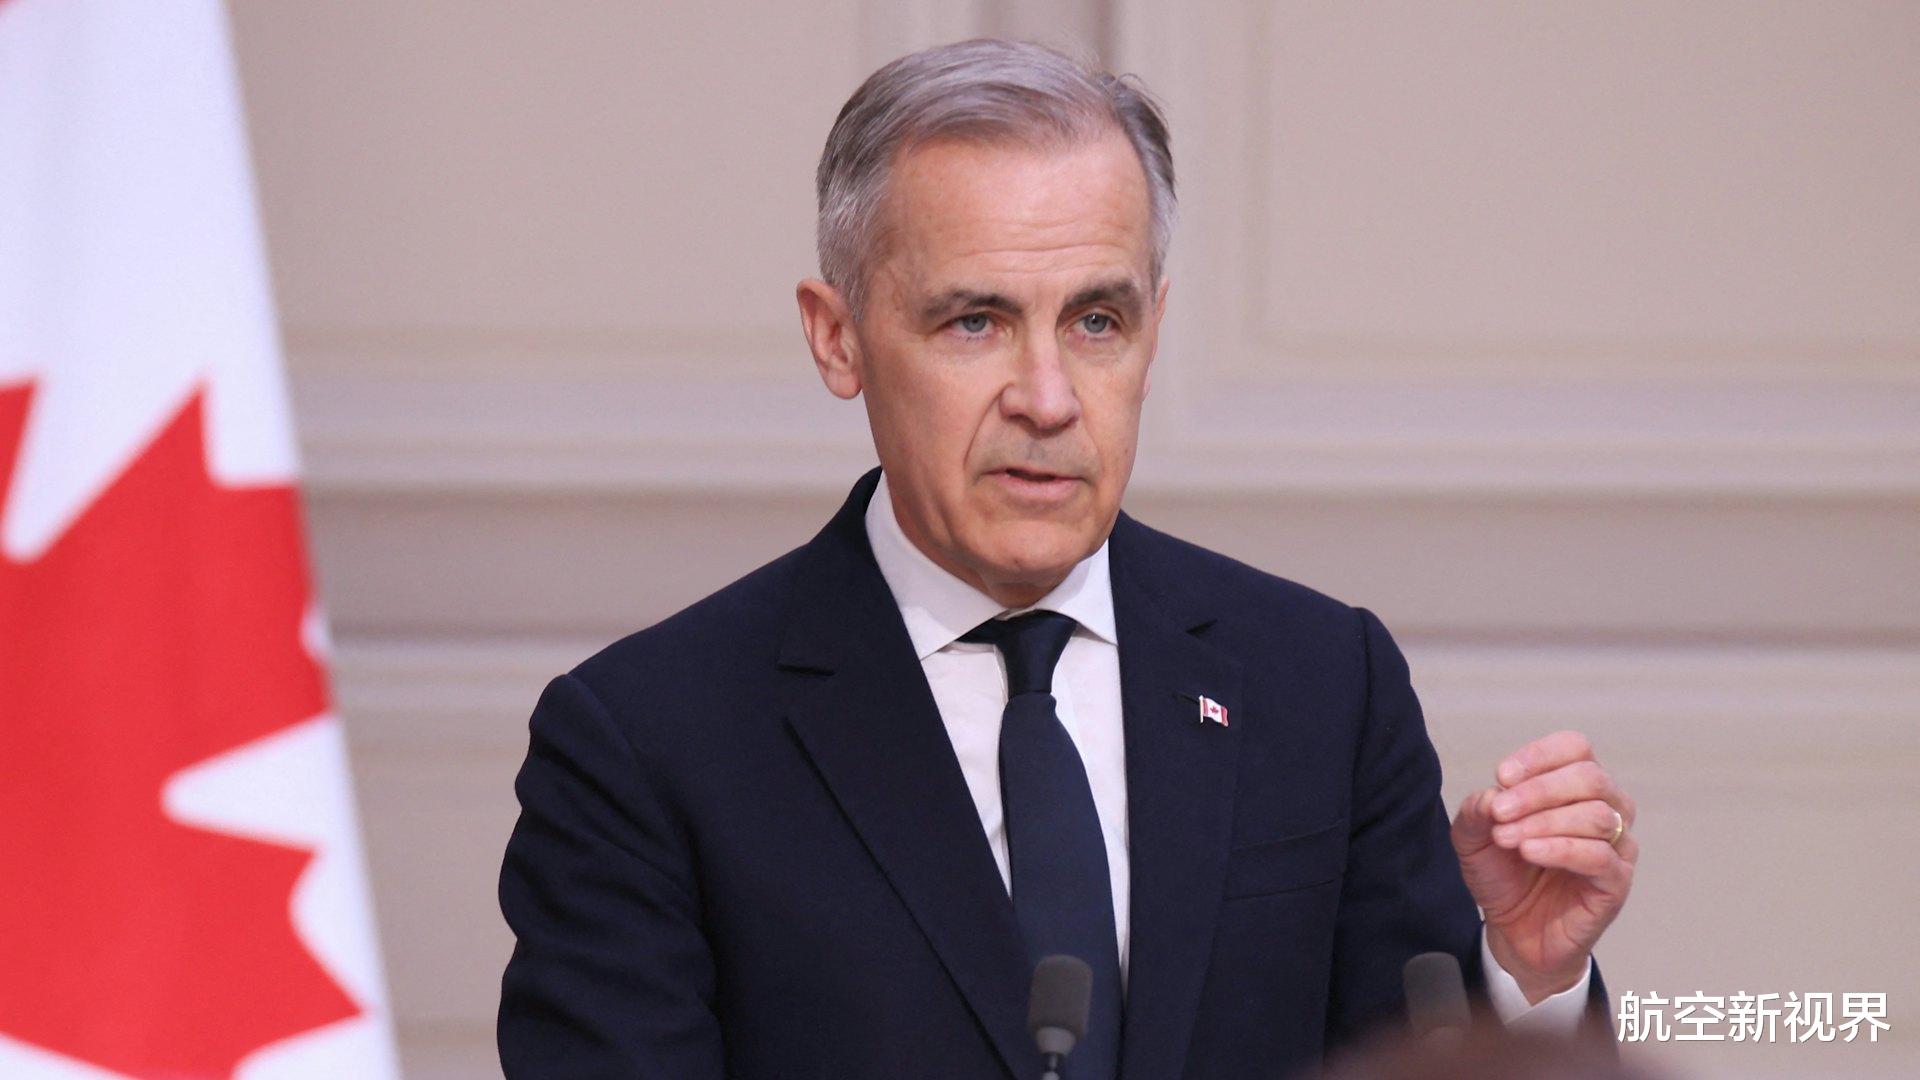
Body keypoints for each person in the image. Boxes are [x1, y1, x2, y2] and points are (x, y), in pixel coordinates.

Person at [497, 38, 1638, 1079]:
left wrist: (1526, 984)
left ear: (1154, 327)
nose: (1047, 400)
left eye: (1097, 322)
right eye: (975, 322)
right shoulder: (647, 744)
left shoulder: (1320, 680)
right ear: (837, 338)